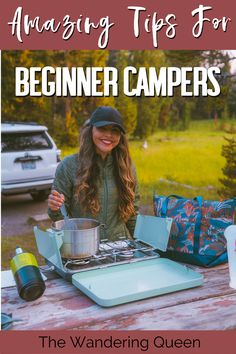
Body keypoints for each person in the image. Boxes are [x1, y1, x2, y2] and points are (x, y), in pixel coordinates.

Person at [48, 106, 140, 241]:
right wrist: (54, 207)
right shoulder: (68, 166)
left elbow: (132, 215)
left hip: (120, 249)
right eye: (102, 128)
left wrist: (143, 245)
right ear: (91, 130)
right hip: (83, 248)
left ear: (121, 136)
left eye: (115, 131)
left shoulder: (128, 168)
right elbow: (59, 215)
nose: (108, 135)